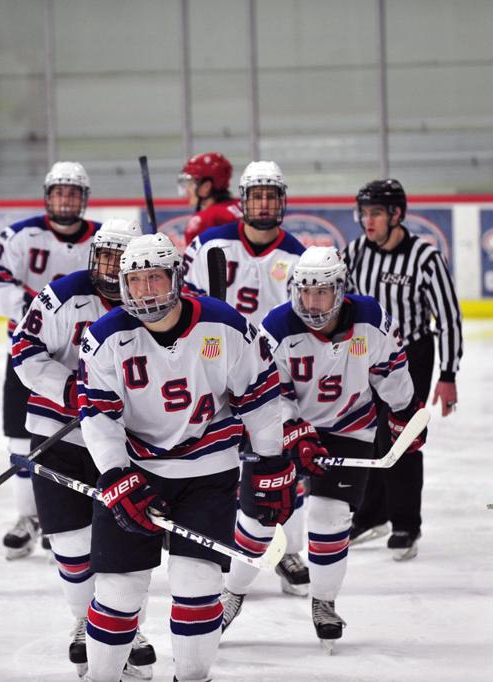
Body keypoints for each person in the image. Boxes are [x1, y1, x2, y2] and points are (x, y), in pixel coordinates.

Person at [76, 233, 295, 682]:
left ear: (176, 278)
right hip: (138, 470)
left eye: (155, 278)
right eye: (134, 282)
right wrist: (116, 474)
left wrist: (271, 464)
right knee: (119, 589)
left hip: (208, 471)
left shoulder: (225, 325)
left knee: (198, 585)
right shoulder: (103, 338)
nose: (145, 291)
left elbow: (261, 398)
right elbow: (98, 416)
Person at [220, 246, 423, 651]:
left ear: (340, 290)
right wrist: (294, 429)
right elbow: (265, 392)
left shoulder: (372, 321)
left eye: (322, 293)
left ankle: (324, 602)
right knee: (259, 521)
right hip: (279, 429)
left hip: (350, 429)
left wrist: (403, 415)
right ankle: (231, 593)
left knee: (330, 521)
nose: (312, 303)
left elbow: (393, 376)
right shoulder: (277, 328)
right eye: (306, 292)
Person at [10, 218, 155, 678]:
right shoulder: (64, 294)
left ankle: (125, 626)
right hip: (62, 438)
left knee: (125, 549)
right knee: (73, 549)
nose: (111, 268)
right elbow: (25, 351)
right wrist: (72, 391)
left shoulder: (155, 300)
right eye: (105, 256)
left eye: (121, 258)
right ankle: (83, 621)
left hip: (123, 445)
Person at [184, 160, 312, 596]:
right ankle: (224, 546)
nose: (263, 203)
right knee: (217, 461)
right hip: (215, 366)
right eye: (255, 195)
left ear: (282, 202)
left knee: (279, 462)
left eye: (270, 196)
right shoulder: (206, 244)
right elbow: (183, 301)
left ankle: (288, 549)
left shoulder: (297, 256)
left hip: (273, 378)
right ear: (242, 200)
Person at [0, 161, 100, 559]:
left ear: (83, 199)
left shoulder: (103, 240)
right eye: (59, 192)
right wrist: (48, 310)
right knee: (22, 440)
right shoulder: (17, 236)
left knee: (88, 442)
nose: (65, 199)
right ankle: (28, 518)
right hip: (29, 357)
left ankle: (65, 517)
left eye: (73, 192)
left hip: (96, 360)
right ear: (47, 196)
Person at [344, 179, 463, 560]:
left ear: (396, 214)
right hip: (364, 354)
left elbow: (448, 318)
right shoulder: (357, 251)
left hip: (412, 353)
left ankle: (406, 523)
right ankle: (370, 514)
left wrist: (448, 374)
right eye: (364, 212)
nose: (368, 220)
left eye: (376, 212)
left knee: (402, 436)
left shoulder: (424, 257)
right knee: (367, 433)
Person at [177, 152, 242, 247]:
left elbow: (194, 260)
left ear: (206, 186)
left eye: (191, 184)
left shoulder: (201, 220)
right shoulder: (242, 205)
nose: (187, 190)